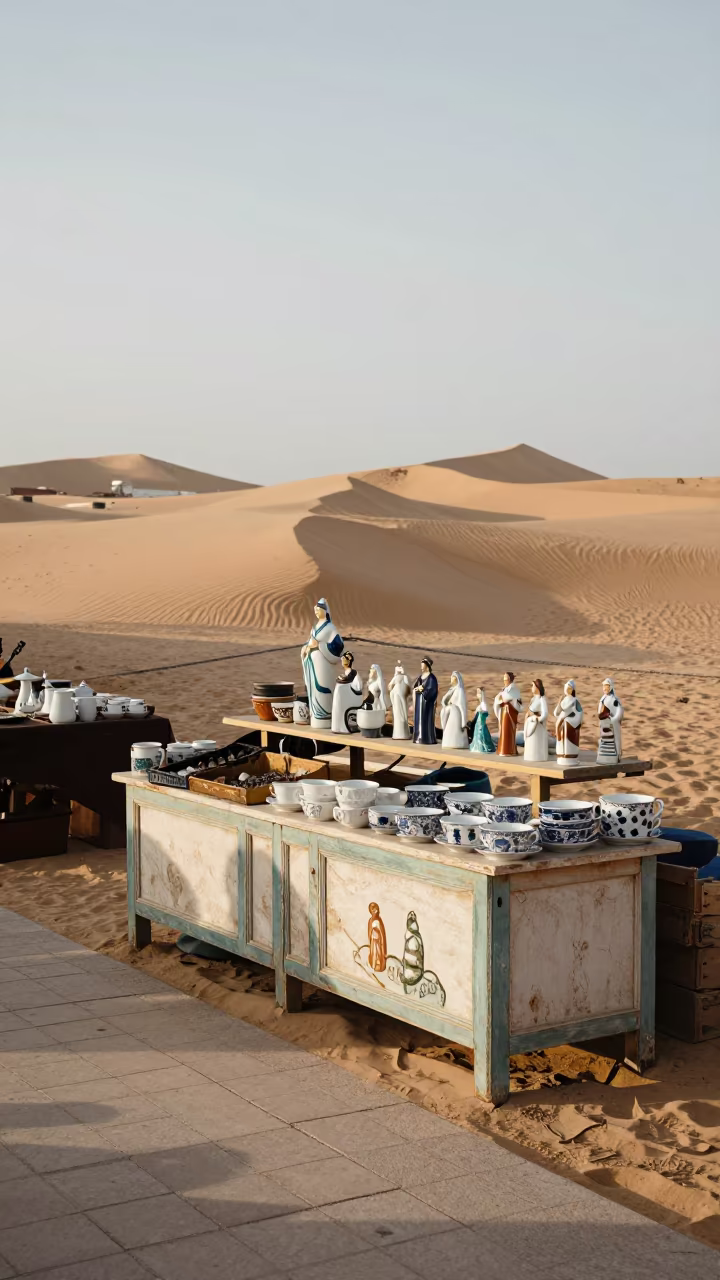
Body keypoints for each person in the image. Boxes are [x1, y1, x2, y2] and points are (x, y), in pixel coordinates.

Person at [300, 598, 344, 728]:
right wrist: (306, 647)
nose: (316, 611)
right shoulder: (315, 627)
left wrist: (319, 646)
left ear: (325, 611)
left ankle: (325, 716)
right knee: (314, 689)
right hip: (312, 664)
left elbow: (338, 646)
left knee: (323, 689)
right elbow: (310, 642)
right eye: (315, 609)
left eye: (319, 609)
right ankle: (316, 716)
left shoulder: (330, 628)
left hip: (323, 666)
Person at [331, 651, 364, 734]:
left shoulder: (354, 673)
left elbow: (359, 686)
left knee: (340, 690)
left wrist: (347, 686)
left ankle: (342, 726)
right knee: (339, 690)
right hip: (347, 696)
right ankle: (338, 726)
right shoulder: (346, 673)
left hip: (352, 696)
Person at [493, 672, 523, 756]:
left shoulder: (513, 689)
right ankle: (503, 750)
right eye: (503, 679)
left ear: (509, 679)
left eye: (505, 679)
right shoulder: (505, 689)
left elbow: (507, 698)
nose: (504, 680)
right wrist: (501, 698)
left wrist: (502, 697)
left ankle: (509, 750)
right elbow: (499, 698)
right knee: (503, 731)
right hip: (504, 711)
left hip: (510, 712)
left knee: (508, 731)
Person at [554, 679, 584, 761]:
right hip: (562, 722)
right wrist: (559, 703)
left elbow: (580, 713)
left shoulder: (575, 701)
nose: (568, 690)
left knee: (566, 732)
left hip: (570, 723)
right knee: (561, 733)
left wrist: (571, 720)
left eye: (570, 689)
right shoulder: (563, 700)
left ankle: (570, 753)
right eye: (567, 688)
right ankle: (561, 753)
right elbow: (557, 713)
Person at [412, 657, 438, 745]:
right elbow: (415, 686)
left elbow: (432, 690)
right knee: (418, 719)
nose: (421, 667)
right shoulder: (420, 677)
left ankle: (426, 738)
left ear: (427, 666)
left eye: (423, 665)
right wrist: (417, 689)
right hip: (419, 702)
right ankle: (418, 737)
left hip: (426, 703)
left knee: (426, 720)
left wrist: (423, 690)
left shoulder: (431, 678)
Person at [597, 677, 623, 764]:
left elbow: (619, 711)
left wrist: (613, 719)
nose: (605, 688)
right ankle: (602, 758)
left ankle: (615, 757)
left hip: (612, 726)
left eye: (607, 686)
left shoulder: (614, 700)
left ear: (611, 687)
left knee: (612, 742)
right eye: (604, 686)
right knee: (603, 741)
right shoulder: (602, 699)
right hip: (604, 726)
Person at [440, 672, 469, 749]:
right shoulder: (452, 690)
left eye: (453, 677)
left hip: (456, 713)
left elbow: (462, 706)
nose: (451, 679)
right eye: (451, 677)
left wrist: (463, 722)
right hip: (451, 711)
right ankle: (445, 731)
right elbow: (444, 700)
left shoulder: (459, 690)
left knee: (448, 710)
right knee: (444, 711)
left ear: (456, 679)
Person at [523, 678, 549, 762]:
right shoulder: (533, 699)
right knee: (530, 744)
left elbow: (545, 713)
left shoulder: (542, 699)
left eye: (533, 686)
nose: (532, 688)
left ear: (537, 687)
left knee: (536, 744)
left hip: (536, 726)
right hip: (530, 724)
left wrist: (537, 719)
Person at [388, 661, 412, 739]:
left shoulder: (404, 677)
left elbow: (408, 687)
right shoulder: (395, 677)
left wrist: (401, 690)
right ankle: (397, 734)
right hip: (396, 698)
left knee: (402, 716)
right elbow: (390, 686)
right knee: (397, 717)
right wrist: (393, 687)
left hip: (401, 699)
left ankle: (404, 734)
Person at [470, 687, 496, 753]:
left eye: (479, 693)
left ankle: (483, 747)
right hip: (478, 723)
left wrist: (482, 716)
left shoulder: (483, 704)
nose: (478, 695)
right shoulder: (480, 705)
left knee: (482, 736)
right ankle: (478, 747)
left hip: (481, 723)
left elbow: (485, 713)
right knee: (478, 736)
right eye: (477, 693)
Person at [368, 902, 387, 972]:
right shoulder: (370, 920)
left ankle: (380, 965)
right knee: (374, 953)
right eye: (373, 910)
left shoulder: (379, 920)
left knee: (379, 953)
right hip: (373, 940)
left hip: (379, 941)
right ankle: (374, 965)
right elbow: (369, 932)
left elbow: (382, 933)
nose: (375, 911)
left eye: (376, 910)